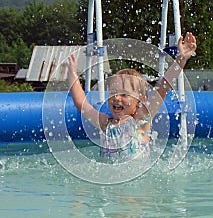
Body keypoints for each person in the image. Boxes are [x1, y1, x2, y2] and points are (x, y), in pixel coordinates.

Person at [68, 32, 197, 159]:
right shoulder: (105, 123)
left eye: (124, 94)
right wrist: (73, 74)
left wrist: (181, 59)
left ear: (140, 99)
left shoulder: (141, 120)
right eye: (113, 93)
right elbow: (81, 104)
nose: (116, 98)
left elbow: (162, 88)